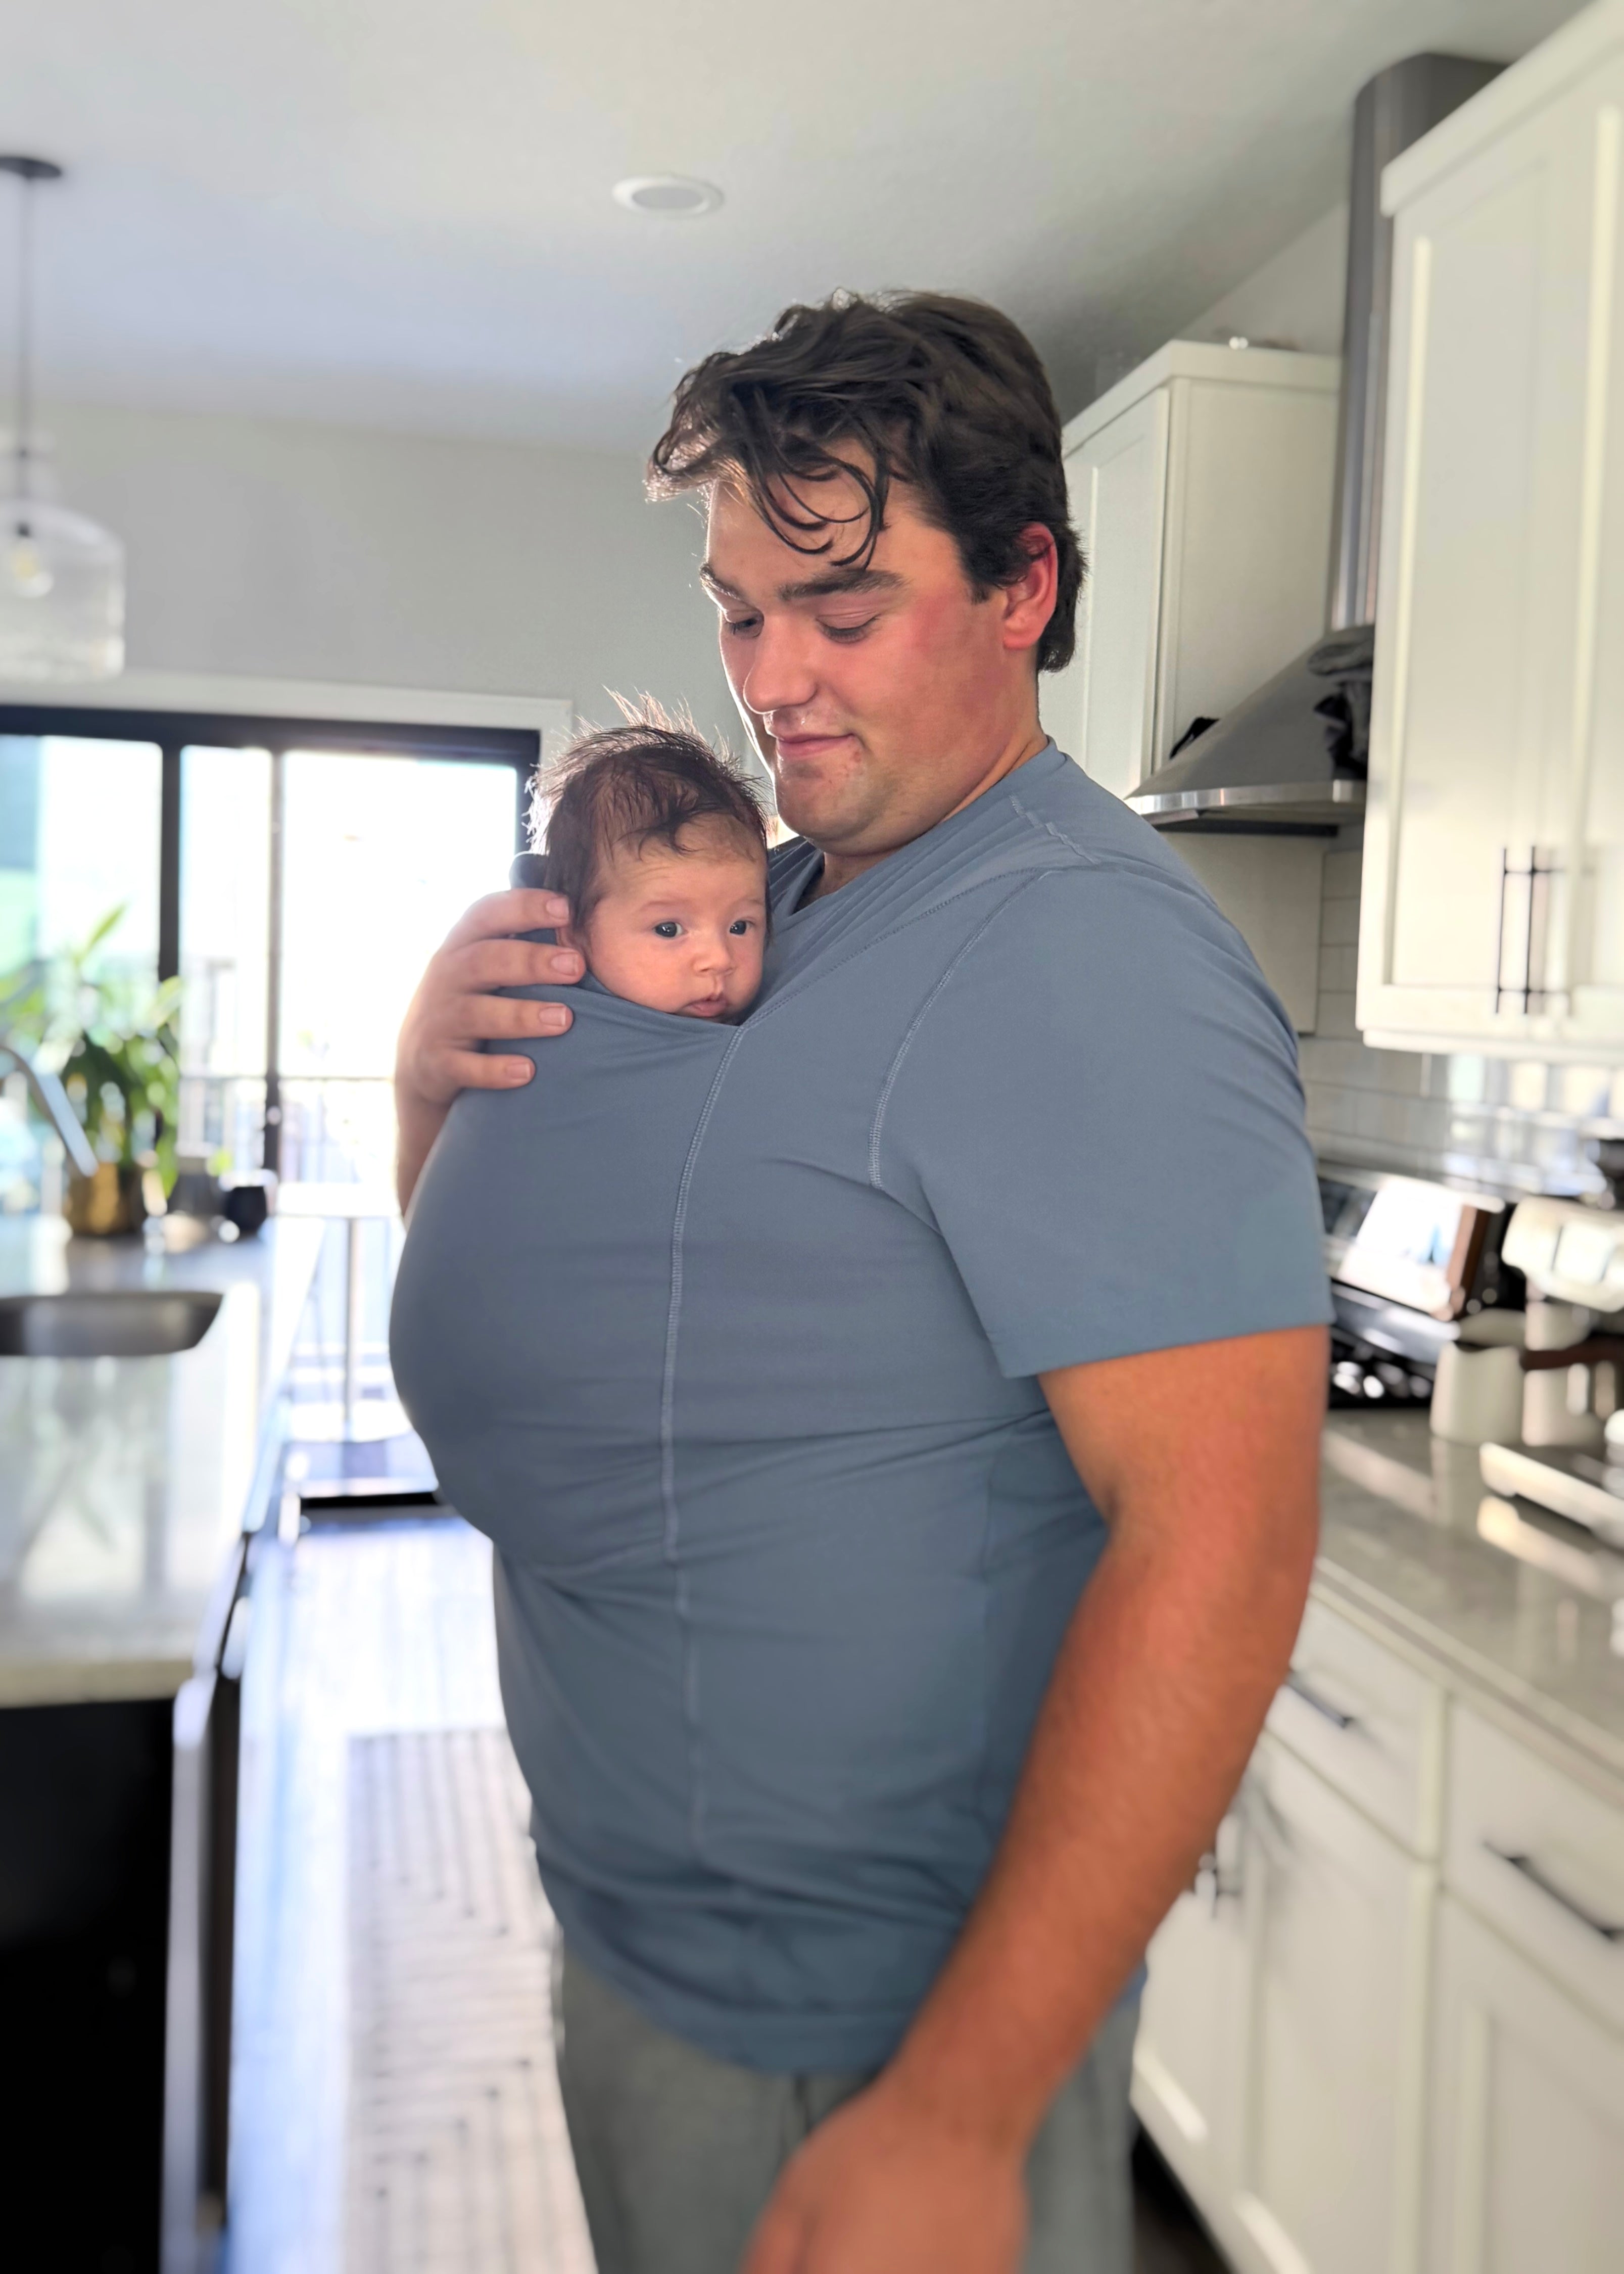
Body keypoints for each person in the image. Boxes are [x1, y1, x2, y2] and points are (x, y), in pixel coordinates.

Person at [390, 289, 1330, 2274]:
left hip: (861, 2039)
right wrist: (431, 1081)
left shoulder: (1085, 957)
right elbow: (615, 1272)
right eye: (740, 612)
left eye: (838, 605)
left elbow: (1221, 1546)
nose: (772, 680)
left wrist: (958, 2109)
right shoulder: (783, 893)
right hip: (657, 1951)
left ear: (1020, 587)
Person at [538, 716, 771, 1022]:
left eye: (739, 927)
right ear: (573, 933)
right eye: (668, 930)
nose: (719, 960)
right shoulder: (540, 1021)